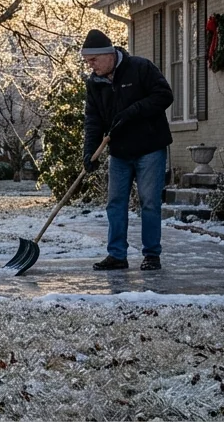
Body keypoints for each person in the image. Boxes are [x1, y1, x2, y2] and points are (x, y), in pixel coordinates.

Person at [81, 28, 173, 272]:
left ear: (109, 54)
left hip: (149, 148)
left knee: (150, 202)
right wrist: (89, 152)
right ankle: (117, 255)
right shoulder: (95, 84)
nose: (91, 66)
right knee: (115, 202)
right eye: (87, 61)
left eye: (94, 60)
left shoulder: (140, 68)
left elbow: (164, 95)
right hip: (119, 152)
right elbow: (93, 119)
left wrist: (134, 111)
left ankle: (152, 254)